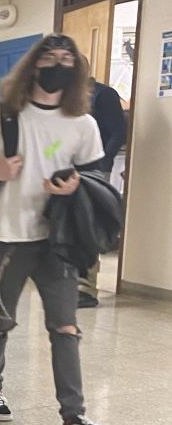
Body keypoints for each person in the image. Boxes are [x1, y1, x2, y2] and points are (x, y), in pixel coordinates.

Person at [0, 33, 119, 425]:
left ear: (78, 69)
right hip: (6, 236)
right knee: (0, 320)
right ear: (33, 64)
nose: (58, 64)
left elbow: (96, 177)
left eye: (68, 58)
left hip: (59, 241)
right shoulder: (1, 116)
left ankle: (74, 418)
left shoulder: (84, 124)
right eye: (50, 56)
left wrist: (74, 187)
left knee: (65, 327)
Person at [77, 58, 127, 308]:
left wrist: (103, 164)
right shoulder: (63, 98)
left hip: (94, 171)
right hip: (67, 173)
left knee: (88, 227)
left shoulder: (104, 95)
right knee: (69, 226)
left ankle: (86, 288)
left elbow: (118, 131)